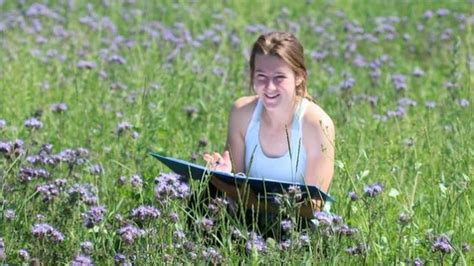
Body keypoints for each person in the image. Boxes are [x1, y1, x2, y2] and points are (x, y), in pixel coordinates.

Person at [203, 31, 335, 223]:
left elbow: (314, 205)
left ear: (299, 77)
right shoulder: (242, 113)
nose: (269, 87)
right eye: (261, 76)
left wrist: (255, 204)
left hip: (299, 226)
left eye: (279, 77)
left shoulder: (316, 123)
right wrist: (223, 174)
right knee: (210, 190)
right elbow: (236, 185)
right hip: (249, 218)